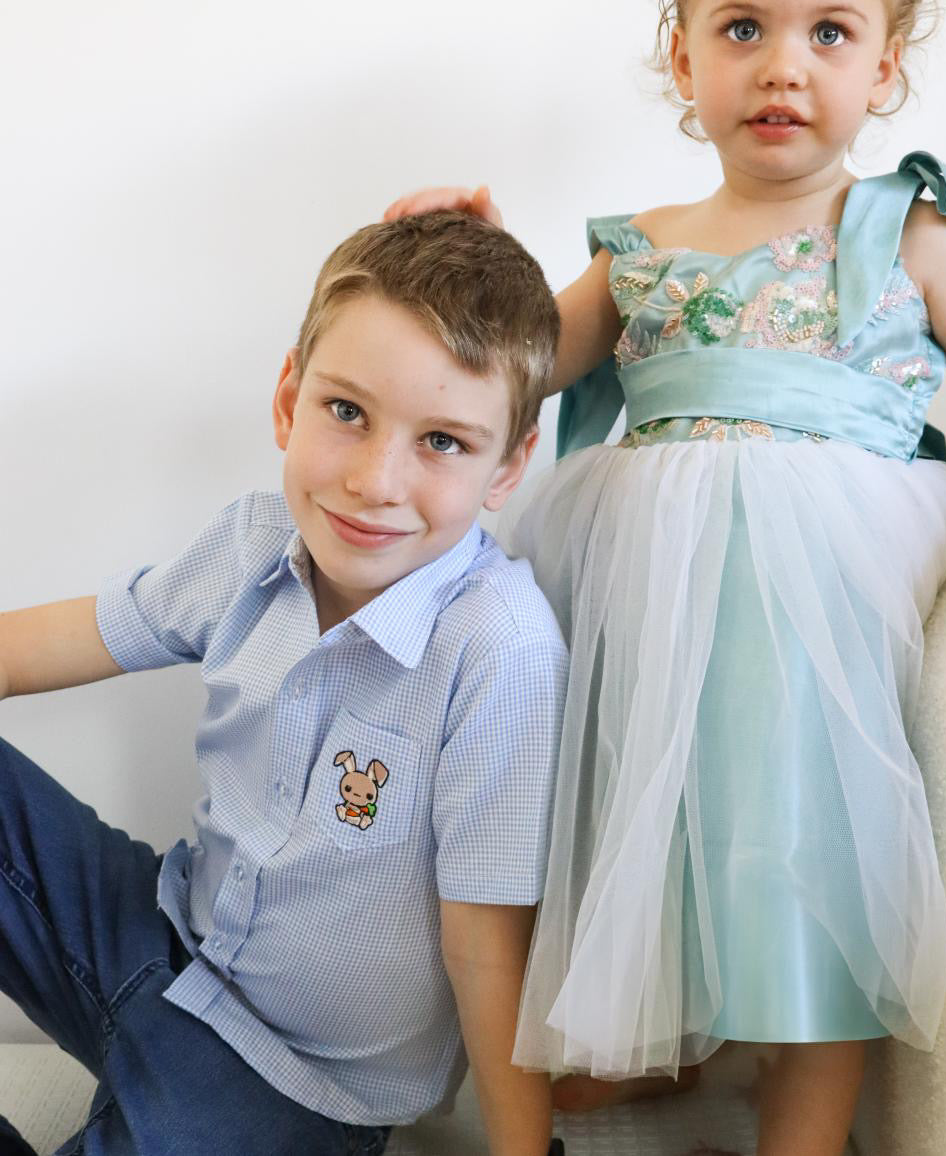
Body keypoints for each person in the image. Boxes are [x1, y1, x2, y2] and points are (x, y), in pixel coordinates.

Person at [384, 0, 946, 1154]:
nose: (785, 62)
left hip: (831, 575)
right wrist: (442, 259)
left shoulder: (917, 236)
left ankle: (805, 1120)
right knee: (637, 809)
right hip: (647, 584)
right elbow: (506, 374)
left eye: (831, 32)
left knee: (802, 835)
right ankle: (665, 1039)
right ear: (684, 58)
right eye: (743, 27)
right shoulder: (642, 251)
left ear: (884, 67)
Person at [0, 211, 570, 1156]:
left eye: (443, 442)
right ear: (288, 400)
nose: (375, 481)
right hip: (163, 947)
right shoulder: (255, 539)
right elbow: (70, 637)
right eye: (347, 413)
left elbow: (486, 945)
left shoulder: (495, 648)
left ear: (508, 464)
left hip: (294, 1087)